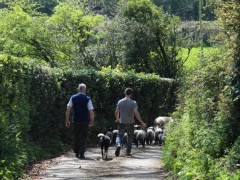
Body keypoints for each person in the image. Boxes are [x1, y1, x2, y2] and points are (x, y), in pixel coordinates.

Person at [115, 87, 147, 156]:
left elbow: (117, 111)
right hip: (131, 122)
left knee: (119, 135)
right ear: (131, 94)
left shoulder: (120, 102)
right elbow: (136, 113)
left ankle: (118, 144)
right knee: (130, 136)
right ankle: (128, 151)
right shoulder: (133, 102)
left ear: (124, 93)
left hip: (122, 122)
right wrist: (142, 123)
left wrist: (117, 118)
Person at [65, 83, 94, 158]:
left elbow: (68, 108)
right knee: (83, 136)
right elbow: (90, 111)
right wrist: (92, 120)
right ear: (85, 90)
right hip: (85, 120)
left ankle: (76, 152)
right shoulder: (87, 99)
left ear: (78, 89)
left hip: (76, 120)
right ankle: (82, 153)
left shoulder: (73, 97)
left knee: (76, 136)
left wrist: (67, 120)